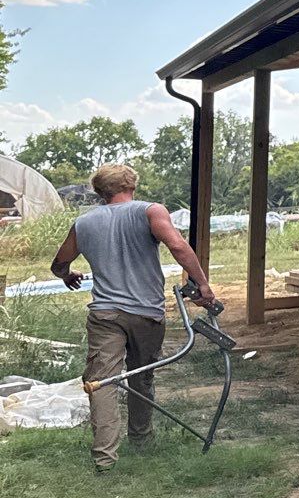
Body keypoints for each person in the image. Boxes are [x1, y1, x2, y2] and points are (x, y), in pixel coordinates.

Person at [49, 163, 221, 472]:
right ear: (132, 184)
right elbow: (178, 247)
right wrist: (203, 284)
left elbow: (59, 263)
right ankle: (141, 441)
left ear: (100, 192)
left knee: (101, 383)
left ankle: (105, 460)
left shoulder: (83, 223)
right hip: (146, 313)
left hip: (105, 313)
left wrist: (67, 275)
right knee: (142, 376)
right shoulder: (150, 211)